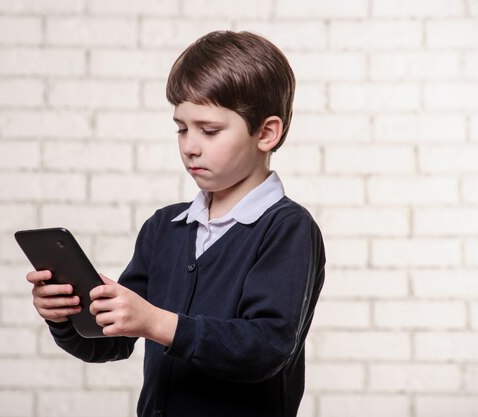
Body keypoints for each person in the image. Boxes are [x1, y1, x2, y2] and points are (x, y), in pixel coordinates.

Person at [26, 30, 325, 417]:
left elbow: (265, 348)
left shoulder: (287, 229)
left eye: (210, 130)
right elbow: (110, 343)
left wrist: (157, 322)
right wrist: (67, 316)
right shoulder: (164, 227)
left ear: (266, 133)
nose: (190, 145)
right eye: (182, 128)